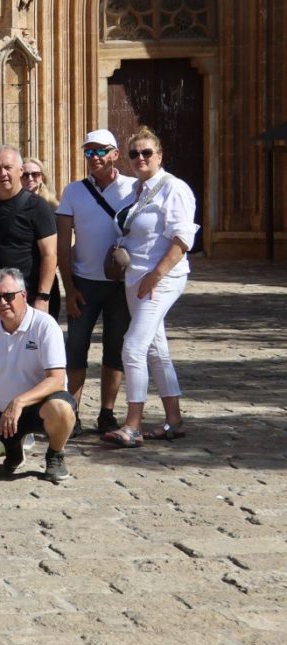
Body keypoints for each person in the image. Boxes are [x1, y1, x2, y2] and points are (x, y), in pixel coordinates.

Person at [102, 127, 198, 448]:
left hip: (160, 279)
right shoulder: (137, 191)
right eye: (134, 154)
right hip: (135, 277)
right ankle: (174, 420)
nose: (140, 158)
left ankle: (133, 425)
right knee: (156, 349)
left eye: (147, 153)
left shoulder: (174, 188)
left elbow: (183, 238)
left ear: (160, 156)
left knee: (133, 347)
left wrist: (156, 275)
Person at [0, 268, 75, 484]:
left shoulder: (45, 325)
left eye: (8, 296)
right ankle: (13, 449)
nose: (2, 302)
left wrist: (19, 402)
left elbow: (57, 379)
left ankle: (56, 454)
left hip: (40, 407)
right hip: (1, 412)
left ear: (23, 295)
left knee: (61, 409)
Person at [56, 129, 134, 437]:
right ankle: (72, 414)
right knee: (76, 348)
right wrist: (69, 288)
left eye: (101, 151)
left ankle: (107, 413)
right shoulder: (73, 192)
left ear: (115, 153)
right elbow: (63, 244)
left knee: (115, 349)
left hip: (120, 284)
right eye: (89, 152)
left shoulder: (133, 189)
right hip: (84, 283)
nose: (95, 157)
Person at [0, 145, 58, 321]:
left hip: (25, 297)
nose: (2, 173)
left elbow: (50, 255)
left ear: (20, 170)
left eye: (8, 167)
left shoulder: (38, 206)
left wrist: (43, 297)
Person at [23, 156, 64, 322]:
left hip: (44, 280)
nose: (30, 179)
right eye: (25, 175)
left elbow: (61, 247)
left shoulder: (54, 208)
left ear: (42, 177)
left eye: (35, 174)